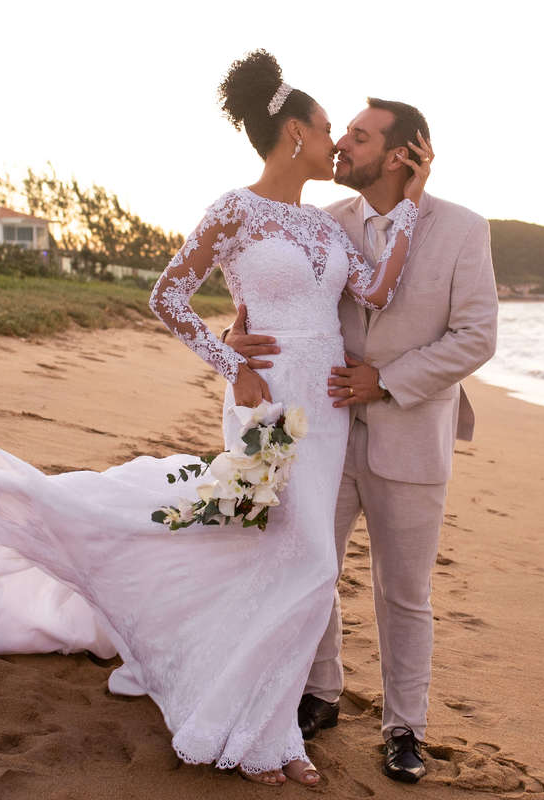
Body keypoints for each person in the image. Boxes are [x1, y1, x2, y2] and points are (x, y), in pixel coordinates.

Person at [0, 50, 432, 788]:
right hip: (268, 399)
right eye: (324, 129)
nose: (334, 142)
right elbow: (168, 295)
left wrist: (412, 200)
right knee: (304, 558)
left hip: (328, 406)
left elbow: (376, 291)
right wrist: (232, 362)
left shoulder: (325, 226)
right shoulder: (234, 210)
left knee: (295, 562)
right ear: (294, 132)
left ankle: (268, 720)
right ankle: (266, 734)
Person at [225, 97, 498, 783]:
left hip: (413, 433)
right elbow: (271, 296)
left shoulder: (463, 229)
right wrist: (234, 334)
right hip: (325, 430)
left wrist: (388, 380)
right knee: (313, 566)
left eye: (360, 136)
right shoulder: (325, 221)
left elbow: (476, 337)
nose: (342, 144)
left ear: (403, 154)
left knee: (403, 593)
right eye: (342, 132)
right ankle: (320, 692)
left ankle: (405, 728)